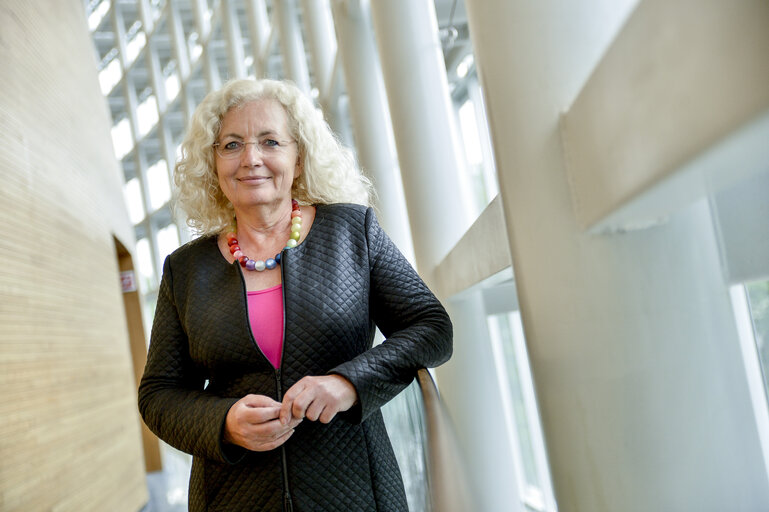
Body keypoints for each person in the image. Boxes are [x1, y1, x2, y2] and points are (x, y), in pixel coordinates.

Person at [138, 78, 453, 512]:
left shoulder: (352, 232)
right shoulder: (185, 269)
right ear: (213, 163)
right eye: (231, 145)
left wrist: (349, 382)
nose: (251, 159)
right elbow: (158, 394)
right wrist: (223, 422)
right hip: (232, 496)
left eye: (270, 141)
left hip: (356, 491)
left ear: (298, 158)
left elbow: (431, 327)